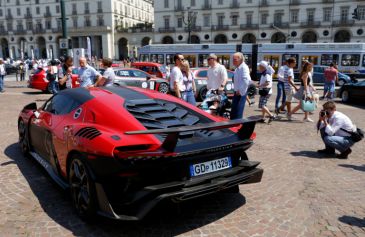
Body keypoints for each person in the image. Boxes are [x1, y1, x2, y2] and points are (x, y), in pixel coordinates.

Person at [231, 52, 251, 120]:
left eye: (235, 59)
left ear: (240, 59)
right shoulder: (237, 68)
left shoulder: (244, 67)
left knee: (238, 112)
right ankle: (233, 125)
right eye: (233, 59)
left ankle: (236, 126)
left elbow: (247, 80)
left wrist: (240, 90)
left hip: (240, 93)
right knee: (234, 111)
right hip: (237, 92)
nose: (233, 61)